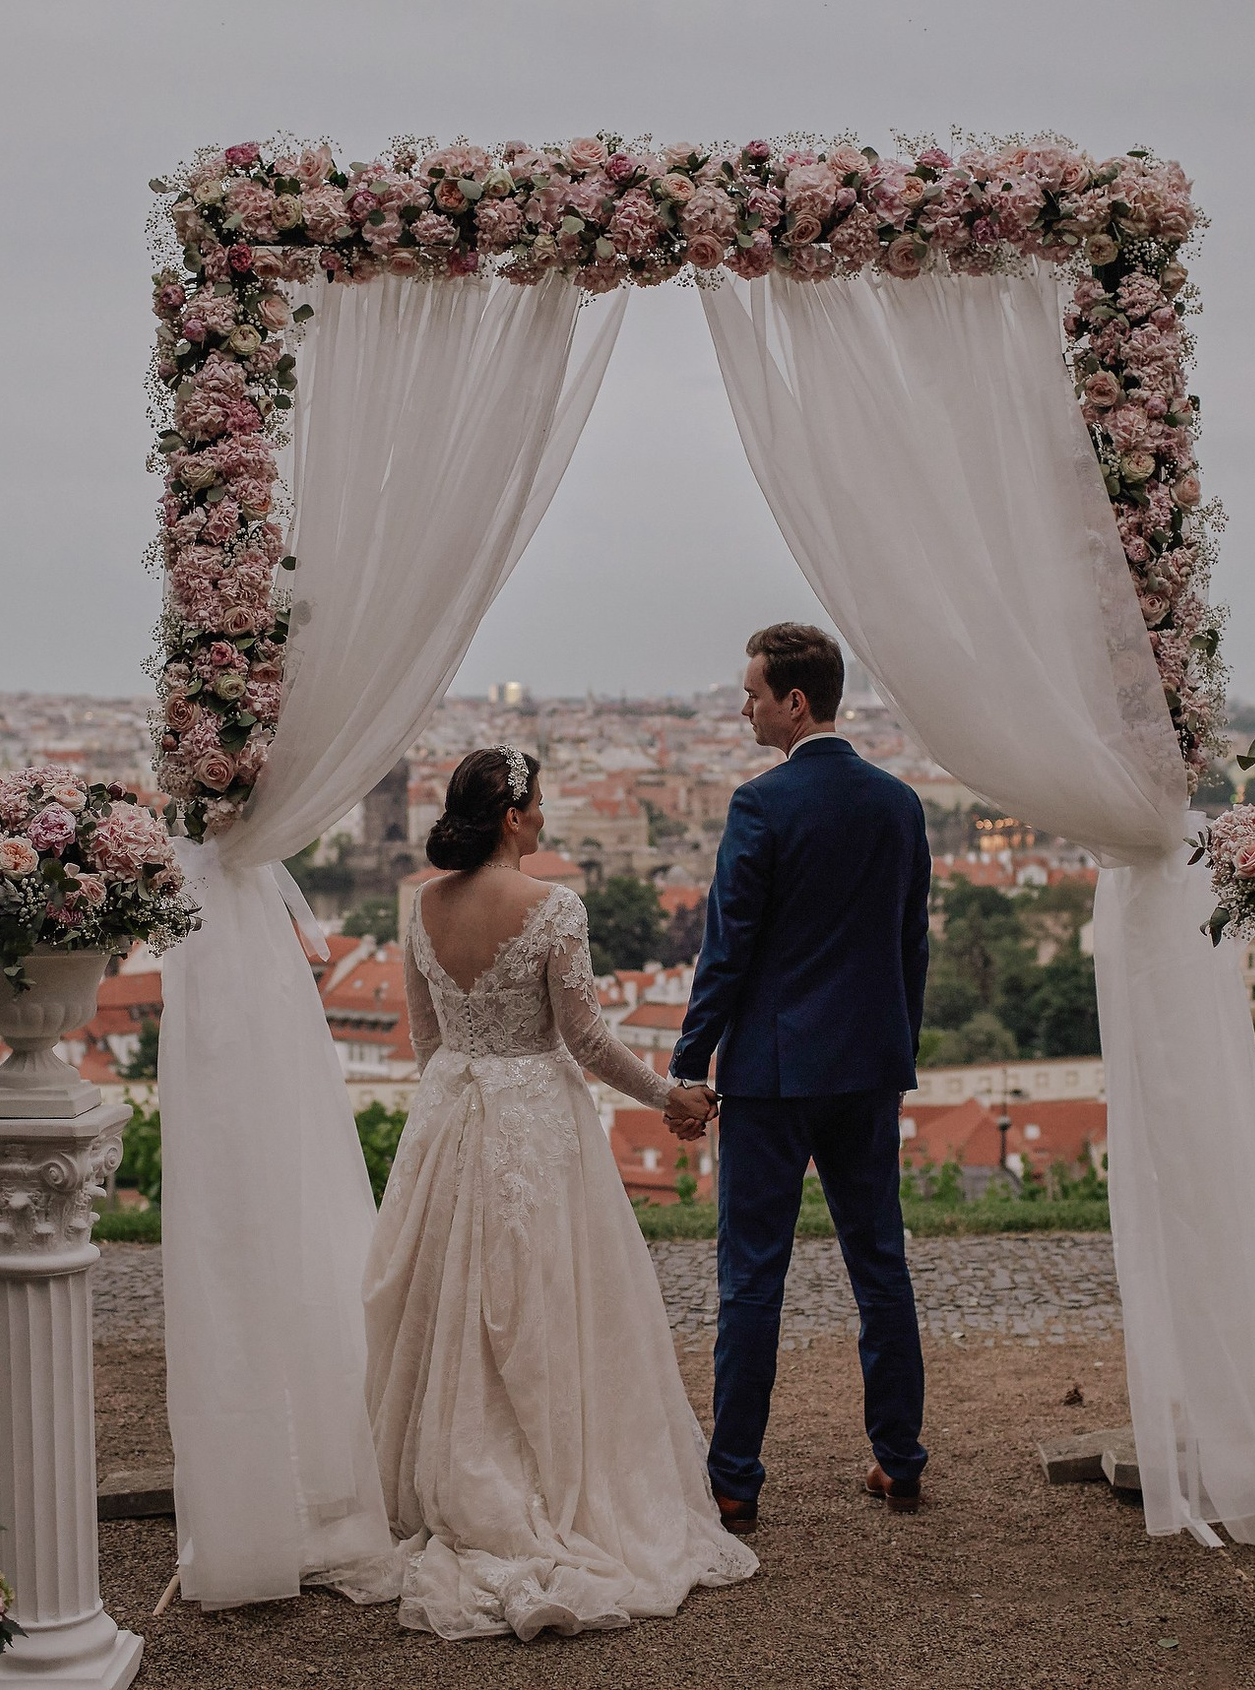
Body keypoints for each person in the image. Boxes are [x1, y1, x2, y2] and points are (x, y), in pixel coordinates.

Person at [361, 744, 756, 1640]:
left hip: (452, 1116)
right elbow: (587, 1040)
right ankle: (551, 1483)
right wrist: (673, 1096)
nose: (545, 819)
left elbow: (427, 1042)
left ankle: (438, 1476)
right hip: (536, 1121)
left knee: (448, 1301)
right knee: (547, 1302)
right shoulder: (553, 906)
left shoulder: (422, 905)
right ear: (512, 813)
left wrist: (460, 1108)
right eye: (537, 805)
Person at [670, 622, 932, 1534]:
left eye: (750, 691)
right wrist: (901, 1046)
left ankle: (736, 1479)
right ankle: (900, 1461)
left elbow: (726, 950)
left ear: (794, 700)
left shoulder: (761, 806)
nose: (741, 704)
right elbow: (912, 946)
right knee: (879, 1263)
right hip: (866, 1066)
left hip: (774, 1074)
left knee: (752, 1277)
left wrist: (687, 1059)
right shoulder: (899, 804)